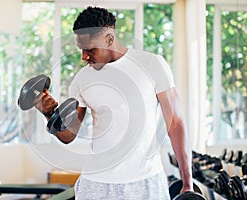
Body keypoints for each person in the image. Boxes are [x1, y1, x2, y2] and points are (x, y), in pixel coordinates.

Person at [34, 6, 193, 200]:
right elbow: (69, 136)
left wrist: (187, 182)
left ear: (109, 39)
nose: (84, 56)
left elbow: (175, 123)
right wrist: (48, 114)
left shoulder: (152, 65)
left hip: (145, 180)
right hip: (97, 183)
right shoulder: (82, 79)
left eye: (90, 49)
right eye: (81, 50)